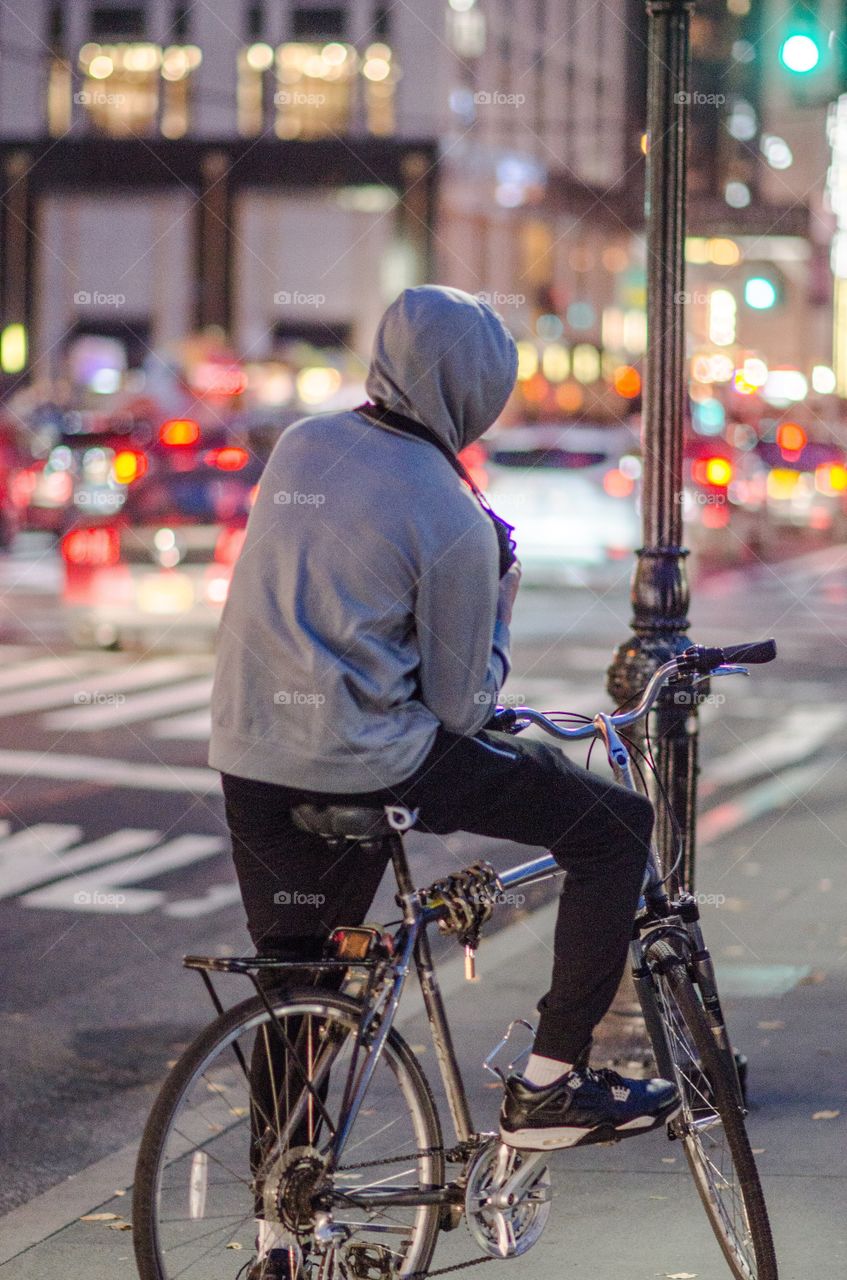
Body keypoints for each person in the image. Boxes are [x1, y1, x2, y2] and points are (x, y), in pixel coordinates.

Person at [209, 285, 679, 1278]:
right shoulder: (455, 520)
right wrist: (497, 592)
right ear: (475, 393)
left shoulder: (301, 445)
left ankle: (277, 1240)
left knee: (299, 988)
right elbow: (463, 704)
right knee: (610, 826)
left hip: (249, 757)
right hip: (369, 759)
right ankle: (552, 1079)